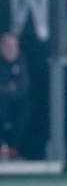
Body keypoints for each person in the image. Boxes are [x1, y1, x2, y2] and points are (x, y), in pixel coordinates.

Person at [0, 33, 31, 161]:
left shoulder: (21, 60)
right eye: (7, 46)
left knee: (26, 108)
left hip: (16, 101)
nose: (10, 49)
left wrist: (6, 87)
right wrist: (10, 87)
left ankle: (14, 147)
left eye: (14, 46)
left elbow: (24, 87)